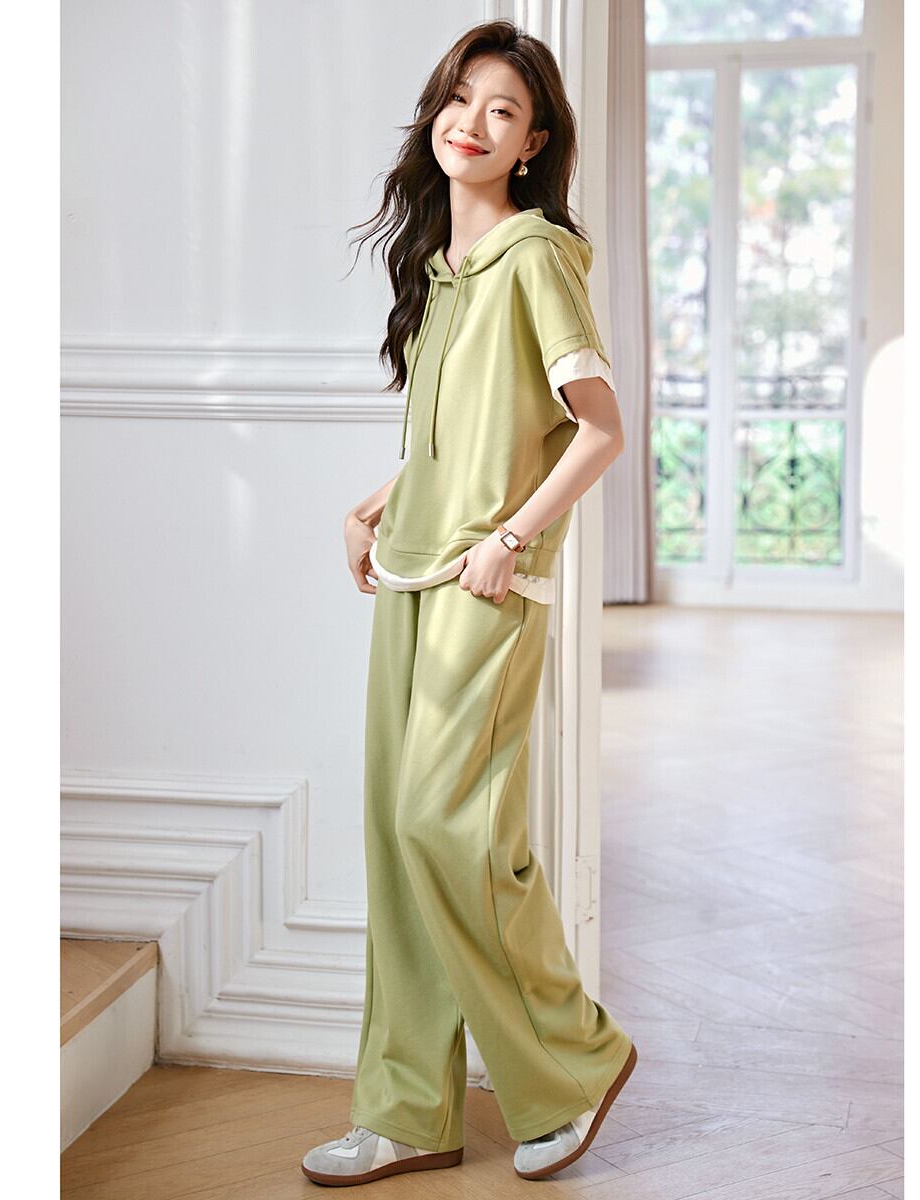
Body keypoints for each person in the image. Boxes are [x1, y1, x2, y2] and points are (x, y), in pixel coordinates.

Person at [302, 19, 636, 1187]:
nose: (474, 122)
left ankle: (573, 1065)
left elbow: (598, 429)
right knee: (400, 840)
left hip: (486, 585)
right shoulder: (443, 272)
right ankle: (406, 1112)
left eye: (504, 109)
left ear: (533, 143)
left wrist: (508, 538)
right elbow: (468, 434)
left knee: (453, 829)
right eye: (460, 97)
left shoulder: (537, 257)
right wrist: (383, 498)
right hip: (411, 572)